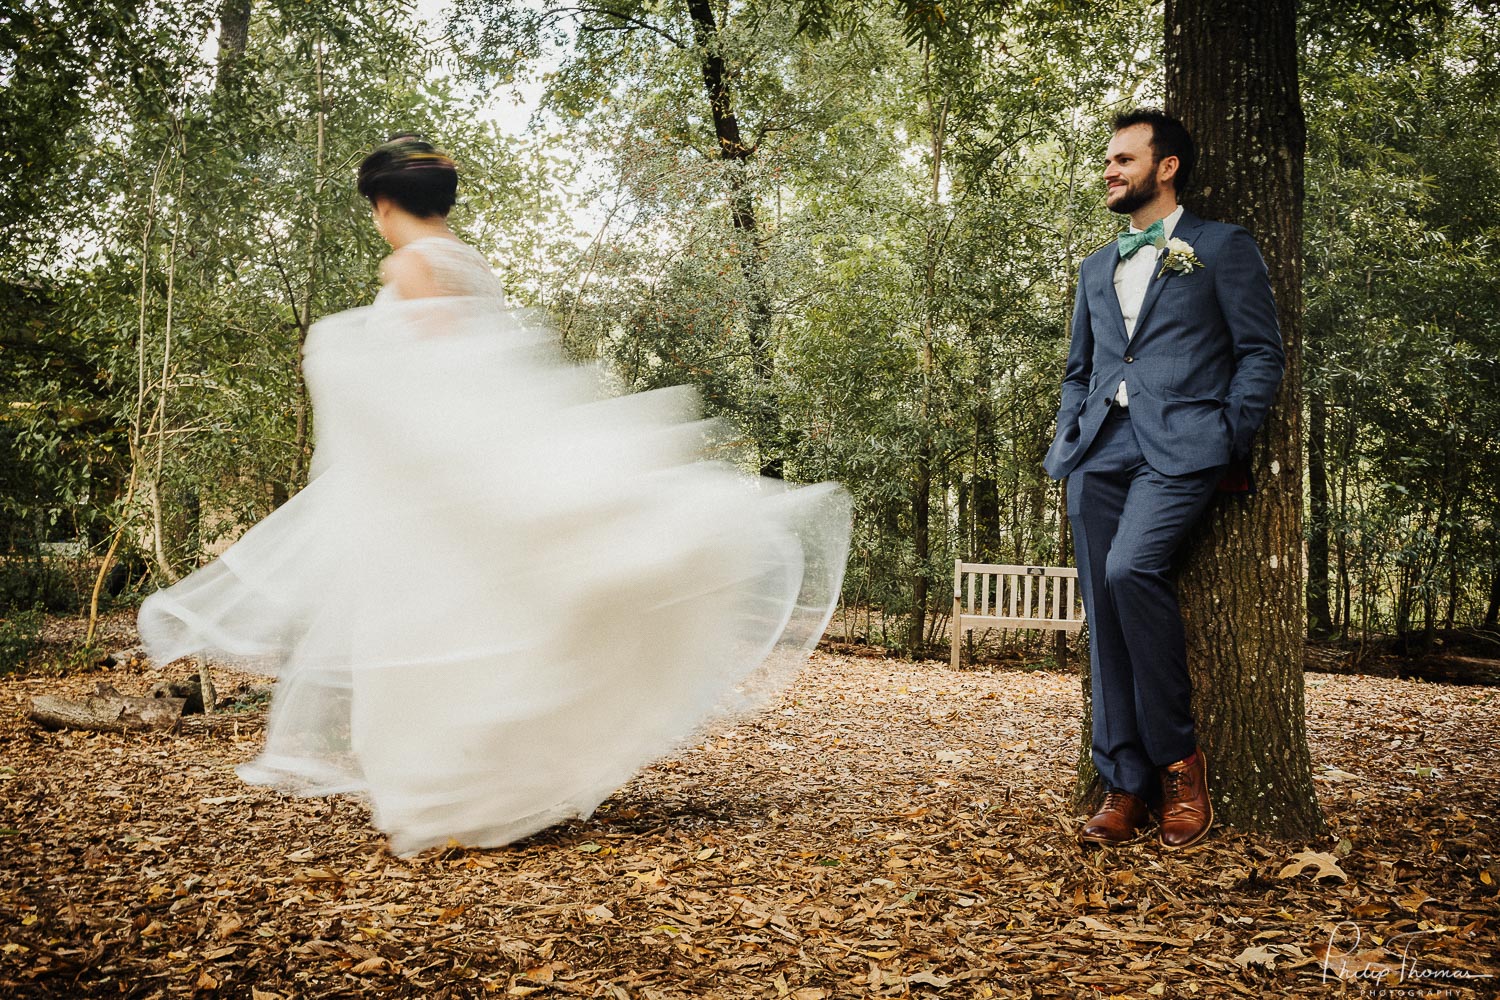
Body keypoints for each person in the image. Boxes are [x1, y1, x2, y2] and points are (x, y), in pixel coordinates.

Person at [138, 136, 851, 856]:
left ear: (385, 205)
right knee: (481, 628)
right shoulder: (469, 262)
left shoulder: (411, 263)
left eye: (374, 209)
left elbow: (450, 378)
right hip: (452, 477)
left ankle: (449, 799)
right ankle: (479, 791)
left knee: (432, 634)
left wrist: (340, 353)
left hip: (438, 487)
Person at [1042, 109, 1284, 849]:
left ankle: (1181, 763)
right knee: (1106, 620)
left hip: (1180, 448)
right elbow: (1080, 367)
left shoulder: (1220, 247)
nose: (1109, 171)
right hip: (1098, 451)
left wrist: (1225, 433)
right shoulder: (1094, 265)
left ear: (1166, 166)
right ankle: (1124, 784)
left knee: (1131, 569)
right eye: (1108, 161)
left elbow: (1260, 353)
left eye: (1123, 159)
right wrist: (1069, 435)